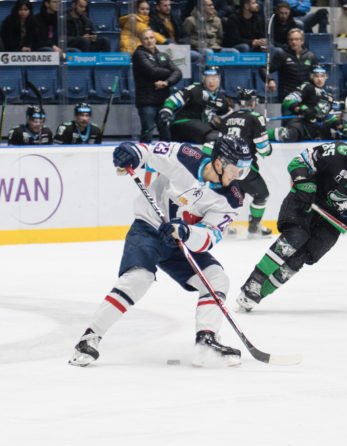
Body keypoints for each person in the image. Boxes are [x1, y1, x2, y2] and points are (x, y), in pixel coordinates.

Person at [68, 136, 253, 368]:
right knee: (138, 278)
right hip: (149, 228)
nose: (239, 176)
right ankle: (89, 338)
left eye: (244, 171)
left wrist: (186, 232)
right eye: (237, 169)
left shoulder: (231, 198)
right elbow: (148, 151)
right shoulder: (186, 155)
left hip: (181, 241)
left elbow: (211, 235)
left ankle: (206, 339)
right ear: (219, 162)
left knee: (216, 278)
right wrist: (132, 153)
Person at [234, 128, 347, 312]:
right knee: (295, 238)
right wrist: (303, 181)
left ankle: (260, 293)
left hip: (335, 220)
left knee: (302, 257)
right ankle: (254, 283)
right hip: (307, 201)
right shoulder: (335, 152)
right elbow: (299, 161)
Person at [217, 88, 273, 237]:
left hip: (226, 167)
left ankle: (224, 226)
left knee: (234, 196)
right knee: (262, 195)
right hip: (244, 167)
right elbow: (263, 149)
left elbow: (220, 143)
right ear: (253, 102)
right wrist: (265, 134)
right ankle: (254, 227)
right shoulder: (256, 118)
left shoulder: (227, 118)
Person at [270, 66, 347, 142]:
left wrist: (339, 126)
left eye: (322, 76)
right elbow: (287, 100)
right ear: (312, 77)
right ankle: (264, 135)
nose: (319, 79)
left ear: (326, 78)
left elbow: (328, 115)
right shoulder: (307, 87)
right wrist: (301, 109)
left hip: (314, 126)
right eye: (316, 76)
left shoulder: (327, 96)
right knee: (289, 135)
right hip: (301, 122)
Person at [132, 28, 182, 143]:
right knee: (147, 134)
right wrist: (169, 72)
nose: (149, 41)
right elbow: (152, 71)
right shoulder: (139, 54)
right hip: (146, 102)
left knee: (167, 134)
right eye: (146, 38)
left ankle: (165, 159)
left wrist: (166, 82)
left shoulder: (163, 55)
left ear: (155, 39)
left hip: (164, 101)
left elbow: (178, 73)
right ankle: (143, 159)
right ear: (141, 41)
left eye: (151, 38)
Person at [158, 66, 231, 144]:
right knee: (213, 136)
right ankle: (208, 156)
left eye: (214, 79)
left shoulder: (221, 98)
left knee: (222, 136)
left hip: (200, 129)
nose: (211, 82)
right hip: (183, 123)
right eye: (208, 79)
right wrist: (166, 111)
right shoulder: (194, 89)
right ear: (203, 79)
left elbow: (228, 117)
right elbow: (174, 99)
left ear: (219, 80)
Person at [259, 28, 318, 103]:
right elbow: (263, 68)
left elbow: (317, 74)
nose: (294, 42)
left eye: (296, 39)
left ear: (302, 41)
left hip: (306, 96)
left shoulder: (310, 56)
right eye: (291, 40)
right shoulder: (282, 55)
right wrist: (270, 80)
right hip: (287, 97)